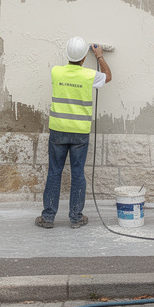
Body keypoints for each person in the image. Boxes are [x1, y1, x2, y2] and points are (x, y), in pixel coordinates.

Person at [35, 36, 110, 229]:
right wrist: (100, 56)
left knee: (54, 172)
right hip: (79, 133)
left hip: (58, 130)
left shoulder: (56, 72)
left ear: (67, 54)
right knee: (77, 174)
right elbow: (108, 77)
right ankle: (76, 218)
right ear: (85, 57)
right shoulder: (88, 75)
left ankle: (48, 217)